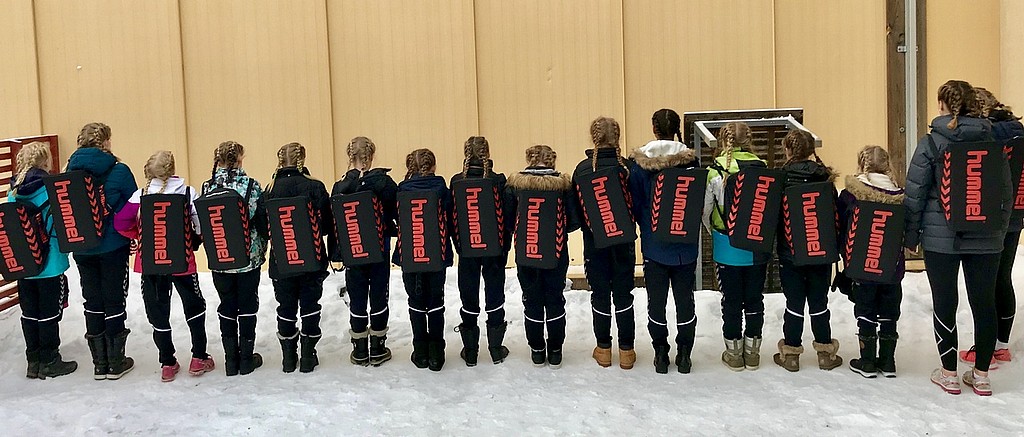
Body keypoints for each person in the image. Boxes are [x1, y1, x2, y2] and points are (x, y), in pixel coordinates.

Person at [906, 80, 1010, 396]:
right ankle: (981, 375)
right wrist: (1000, 231)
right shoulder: (993, 141)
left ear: (943, 105)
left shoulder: (931, 143)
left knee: (945, 301)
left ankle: (949, 373)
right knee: (984, 303)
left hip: (941, 237)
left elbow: (915, 193)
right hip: (987, 237)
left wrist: (911, 234)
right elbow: (1005, 193)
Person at [114, 150, 212, 382]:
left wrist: (140, 235)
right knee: (194, 306)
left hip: (151, 261)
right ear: (173, 168)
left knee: (157, 310)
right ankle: (199, 357)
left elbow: (120, 223)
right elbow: (200, 225)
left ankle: (167, 362)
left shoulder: (140, 195)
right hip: (182, 261)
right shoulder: (187, 193)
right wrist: (193, 237)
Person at [628, 109, 700, 374]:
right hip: (685, 246)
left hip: (654, 245)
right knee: (685, 301)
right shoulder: (692, 163)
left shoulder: (640, 165)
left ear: (653, 128)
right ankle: (685, 354)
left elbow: (635, 204)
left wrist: (648, 224)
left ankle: (660, 353)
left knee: (656, 302)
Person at [957, 88, 1024, 368]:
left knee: (985, 286)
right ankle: (1002, 346)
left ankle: (984, 350)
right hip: (1016, 213)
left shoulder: (987, 136)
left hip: (991, 216)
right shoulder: (1018, 132)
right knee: (1003, 278)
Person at [66, 122, 137, 380]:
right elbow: (134, 205)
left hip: (82, 246)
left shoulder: (68, 173)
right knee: (114, 298)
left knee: (92, 300)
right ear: (105, 142)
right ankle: (116, 362)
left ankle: (99, 363)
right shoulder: (119, 170)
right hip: (113, 245)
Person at [772, 129, 842, 372]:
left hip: (790, 252)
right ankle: (825, 353)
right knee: (819, 301)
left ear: (787, 150)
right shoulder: (825, 179)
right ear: (812, 150)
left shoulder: (781, 179)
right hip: (820, 250)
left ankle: (791, 354)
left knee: (794, 302)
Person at [703, 122, 771, 371]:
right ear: (749, 141)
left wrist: (713, 231)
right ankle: (753, 353)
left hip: (726, 244)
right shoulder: (763, 168)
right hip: (757, 244)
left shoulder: (715, 171)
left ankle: (734, 353)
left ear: (723, 141)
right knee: (754, 299)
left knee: (731, 300)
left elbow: (706, 210)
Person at [506, 145, 581, 368]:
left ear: (528, 159)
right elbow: (573, 221)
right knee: (555, 299)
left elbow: (508, 221)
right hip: (556, 253)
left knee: (532, 300)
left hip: (526, 252)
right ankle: (556, 351)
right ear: (552, 161)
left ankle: (537, 351)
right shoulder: (563, 186)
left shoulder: (515, 186)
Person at [573, 116, 638, 369]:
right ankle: (627, 351)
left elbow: (576, 213)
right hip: (624, 243)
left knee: (600, 294)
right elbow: (639, 205)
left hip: (594, 244)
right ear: (617, 137)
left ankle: (603, 349)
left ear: (594, 138)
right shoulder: (629, 168)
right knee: (624, 294)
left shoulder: (583, 169)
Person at [9, 142, 77, 379]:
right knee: (49, 313)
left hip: (24, 263)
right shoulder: (51, 189)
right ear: (45, 161)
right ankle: (50, 360)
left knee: (29, 312)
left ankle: (33, 360)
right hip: (51, 262)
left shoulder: (13, 192)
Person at [266, 142, 334, 373]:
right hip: (312, 259)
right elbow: (326, 225)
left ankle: (288, 358)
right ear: (302, 160)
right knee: (310, 305)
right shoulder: (315, 186)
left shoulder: (270, 189)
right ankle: (307, 355)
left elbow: (265, 228)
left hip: (281, 261)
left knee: (285, 307)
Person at [837, 146, 905, 378]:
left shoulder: (850, 195)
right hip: (892, 266)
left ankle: (866, 362)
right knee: (890, 311)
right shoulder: (900, 195)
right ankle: (888, 362)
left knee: (865, 309)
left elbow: (841, 226)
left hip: (861, 264)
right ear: (888, 165)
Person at [202, 141, 268, 376]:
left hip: (220, 256)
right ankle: (246, 359)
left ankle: (231, 360)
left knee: (226, 304)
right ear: (240, 160)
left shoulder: (207, 186)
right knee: (248, 304)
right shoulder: (251, 185)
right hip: (248, 257)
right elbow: (261, 221)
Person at [331, 137, 397, 367]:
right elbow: (396, 211)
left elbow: (335, 221)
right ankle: (378, 347)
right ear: (372, 155)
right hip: (379, 248)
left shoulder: (340, 186)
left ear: (350, 157)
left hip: (353, 249)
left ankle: (359, 349)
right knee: (379, 293)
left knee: (357, 295)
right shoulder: (384, 182)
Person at [450, 136, 514, 366]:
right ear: (488, 153)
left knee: (468, 295)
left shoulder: (457, 181)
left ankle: (470, 351)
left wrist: (459, 246)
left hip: (467, 250)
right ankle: (496, 349)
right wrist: (504, 247)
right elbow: (507, 218)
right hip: (494, 251)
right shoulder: (498, 180)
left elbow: (451, 218)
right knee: (495, 295)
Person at [395, 148, 455, 372]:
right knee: (436, 302)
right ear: (434, 166)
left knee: (416, 302)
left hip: (410, 254)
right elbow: (450, 219)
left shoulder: (401, 190)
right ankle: (437, 354)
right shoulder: (441, 189)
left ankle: (420, 352)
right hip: (437, 254)